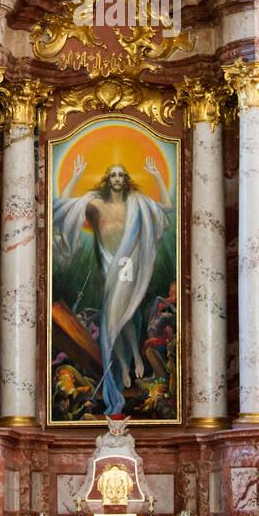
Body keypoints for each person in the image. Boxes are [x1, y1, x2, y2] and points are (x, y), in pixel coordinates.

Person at [52, 156, 172, 414]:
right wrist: (74, 176)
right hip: (108, 265)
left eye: (121, 175)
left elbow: (167, 208)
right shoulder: (95, 205)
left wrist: (158, 178)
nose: (117, 179)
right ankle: (124, 366)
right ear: (108, 180)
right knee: (111, 321)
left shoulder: (137, 204)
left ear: (126, 180)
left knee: (123, 313)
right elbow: (61, 207)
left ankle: (136, 359)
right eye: (113, 175)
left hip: (128, 264)